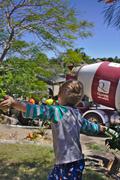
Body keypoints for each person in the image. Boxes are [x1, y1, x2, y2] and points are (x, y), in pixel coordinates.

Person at [0, 80, 106, 180]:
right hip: (76, 161)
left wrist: (14, 103)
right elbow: (89, 126)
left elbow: (34, 109)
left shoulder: (57, 111)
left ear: (59, 96)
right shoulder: (77, 114)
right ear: (78, 101)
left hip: (65, 163)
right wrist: (100, 128)